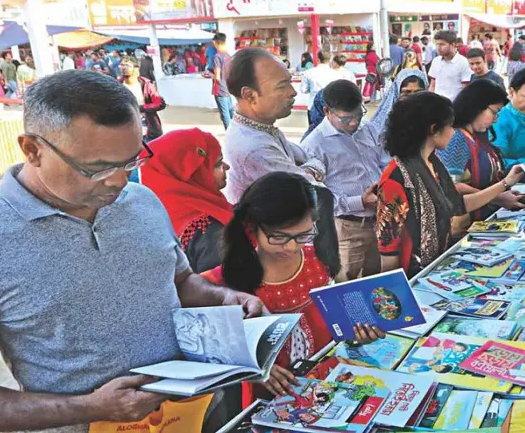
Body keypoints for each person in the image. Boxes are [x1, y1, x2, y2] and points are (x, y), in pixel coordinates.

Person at [0, 70, 263, 433]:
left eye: (132, 160)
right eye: (97, 168)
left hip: (193, 416)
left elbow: (179, 281)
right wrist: (88, 408)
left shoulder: (142, 200)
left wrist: (223, 298)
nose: (120, 180)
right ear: (32, 150)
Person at [201, 172, 383, 402]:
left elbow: (333, 326)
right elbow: (204, 342)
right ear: (252, 229)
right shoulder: (220, 284)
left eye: (303, 235)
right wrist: (252, 367)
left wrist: (357, 334)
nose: (291, 247)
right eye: (278, 237)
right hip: (268, 401)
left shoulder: (318, 261)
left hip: (325, 385)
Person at [376, 92, 525, 276]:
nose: (453, 131)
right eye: (449, 126)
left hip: (436, 267)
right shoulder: (396, 178)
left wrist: (505, 183)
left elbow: (457, 205)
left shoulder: (433, 164)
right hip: (413, 276)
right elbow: (388, 249)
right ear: (433, 129)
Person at [302, 80, 386, 281]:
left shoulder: (369, 130)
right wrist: (360, 201)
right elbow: (317, 199)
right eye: (346, 118)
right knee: (345, 286)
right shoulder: (314, 145)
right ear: (327, 111)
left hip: (380, 222)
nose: (354, 123)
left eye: (358, 115)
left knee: (377, 284)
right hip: (347, 229)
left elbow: (385, 162)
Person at [223, 48, 326, 204]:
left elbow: (313, 159)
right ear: (250, 95)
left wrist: (305, 170)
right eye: (282, 86)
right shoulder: (254, 148)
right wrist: (308, 171)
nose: (293, 92)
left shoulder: (261, 128)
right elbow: (315, 193)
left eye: (290, 82)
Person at [141, 128, 232, 273]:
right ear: (193, 174)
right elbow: (219, 289)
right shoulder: (211, 231)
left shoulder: (145, 213)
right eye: (217, 164)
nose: (227, 167)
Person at [438, 79, 525, 222]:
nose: (496, 120)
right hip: (463, 226)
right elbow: (452, 187)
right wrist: (497, 197)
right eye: (494, 112)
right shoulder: (456, 139)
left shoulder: (475, 137)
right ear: (477, 107)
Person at [120, 56, 166, 141]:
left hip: (148, 129)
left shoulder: (146, 84)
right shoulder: (117, 85)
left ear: (137, 68)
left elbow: (160, 104)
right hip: (127, 129)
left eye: (127, 65)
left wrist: (140, 108)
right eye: (122, 65)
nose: (123, 68)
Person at [370, 68, 428, 136]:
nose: (413, 98)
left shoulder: (432, 118)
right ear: (397, 94)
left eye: (418, 93)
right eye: (407, 93)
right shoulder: (386, 123)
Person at [429, 30, 472, 101]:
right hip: (436, 104)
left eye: (442, 44)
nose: (438, 48)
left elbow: (465, 89)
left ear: (452, 45)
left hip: (455, 105)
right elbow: (432, 85)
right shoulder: (436, 61)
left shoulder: (463, 62)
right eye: (437, 44)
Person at [211, 33, 235, 129]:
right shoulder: (228, 56)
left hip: (220, 88)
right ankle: (236, 132)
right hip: (227, 88)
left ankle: (230, 136)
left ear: (215, 42)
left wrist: (209, 75)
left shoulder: (217, 57)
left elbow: (217, 76)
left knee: (225, 114)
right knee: (231, 112)